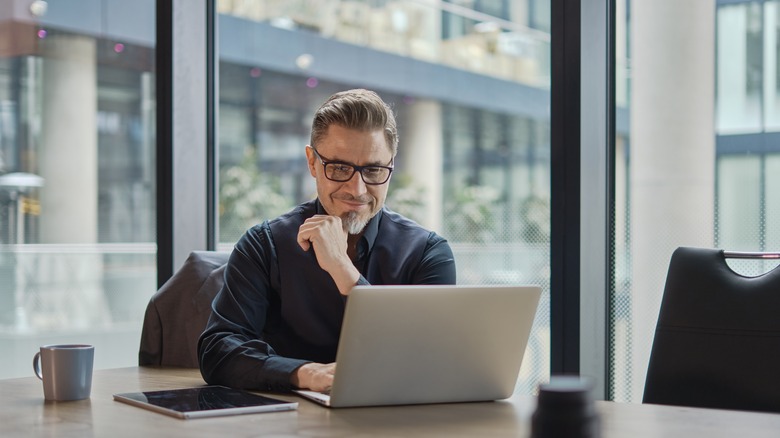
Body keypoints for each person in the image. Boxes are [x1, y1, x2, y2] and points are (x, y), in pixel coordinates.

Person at [198, 89, 456, 393]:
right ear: (312, 162)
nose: (357, 189)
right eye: (339, 168)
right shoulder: (264, 245)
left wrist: (342, 270)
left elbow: (430, 360)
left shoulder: (428, 253)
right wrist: (305, 374)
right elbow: (217, 351)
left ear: (391, 166)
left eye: (373, 170)